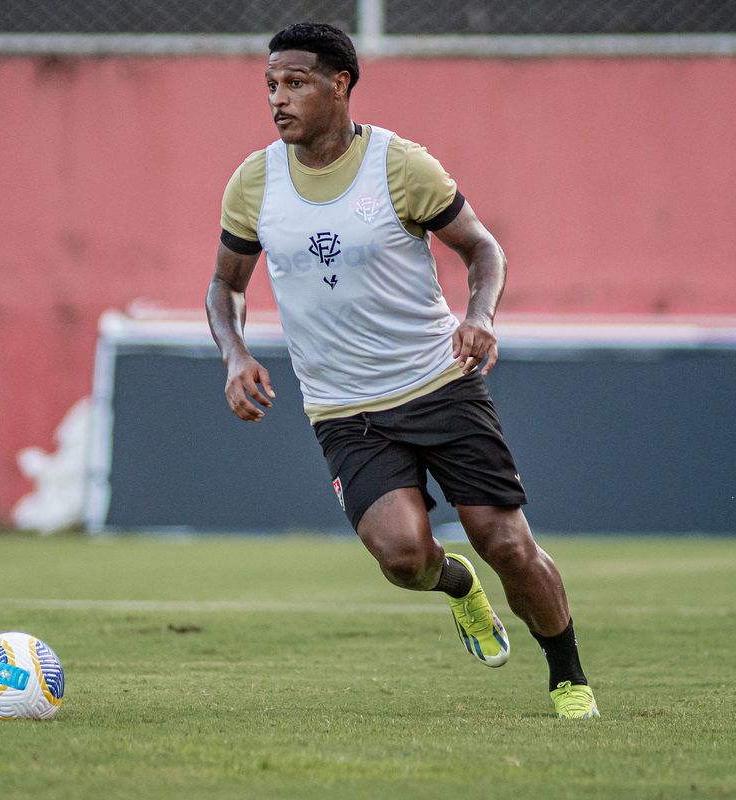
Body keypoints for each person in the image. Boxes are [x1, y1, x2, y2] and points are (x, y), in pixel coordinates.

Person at [205, 21, 598, 719]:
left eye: (294, 82)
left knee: (505, 539)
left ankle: (569, 677)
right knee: (402, 557)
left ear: (340, 84)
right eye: (270, 85)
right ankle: (456, 589)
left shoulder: (400, 165)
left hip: (438, 384)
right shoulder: (255, 181)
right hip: (344, 411)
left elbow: (483, 251)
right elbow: (224, 286)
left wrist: (480, 318)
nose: (278, 98)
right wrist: (235, 354)